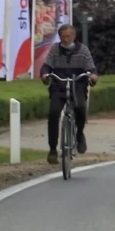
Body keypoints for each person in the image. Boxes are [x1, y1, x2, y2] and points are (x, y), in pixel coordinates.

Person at [40, 24, 99, 164]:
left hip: (77, 85)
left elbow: (92, 68)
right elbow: (47, 65)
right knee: (53, 113)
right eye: (63, 37)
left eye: (69, 36)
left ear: (74, 36)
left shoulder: (83, 50)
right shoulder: (55, 49)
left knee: (80, 108)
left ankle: (79, 134)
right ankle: (53, 149)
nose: (66, 39)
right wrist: (44, 74)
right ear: (60, 37)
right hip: (59, 86)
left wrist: (93, 76)